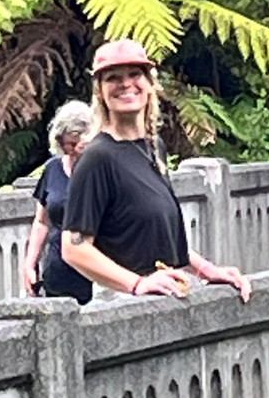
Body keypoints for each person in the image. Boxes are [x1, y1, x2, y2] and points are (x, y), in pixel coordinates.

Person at [62, 39, 251, 301]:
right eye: (113, 78)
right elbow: (74, 249)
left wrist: (206, 270)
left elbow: (161, 240)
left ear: (150, 84)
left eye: (134, 74)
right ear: (100, 92)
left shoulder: (153, 147)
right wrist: (137, 283)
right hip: (124, 304)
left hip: (166, 293)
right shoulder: (97, 158)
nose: (126, 84)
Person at [22, 101, 94, 304]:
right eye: (65, 144)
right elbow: (42, 221)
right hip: (57, 273)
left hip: (95, 275)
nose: (70, 150)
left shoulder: (101, 170)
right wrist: (30, 263)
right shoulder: (53, 169)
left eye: (75, 145)